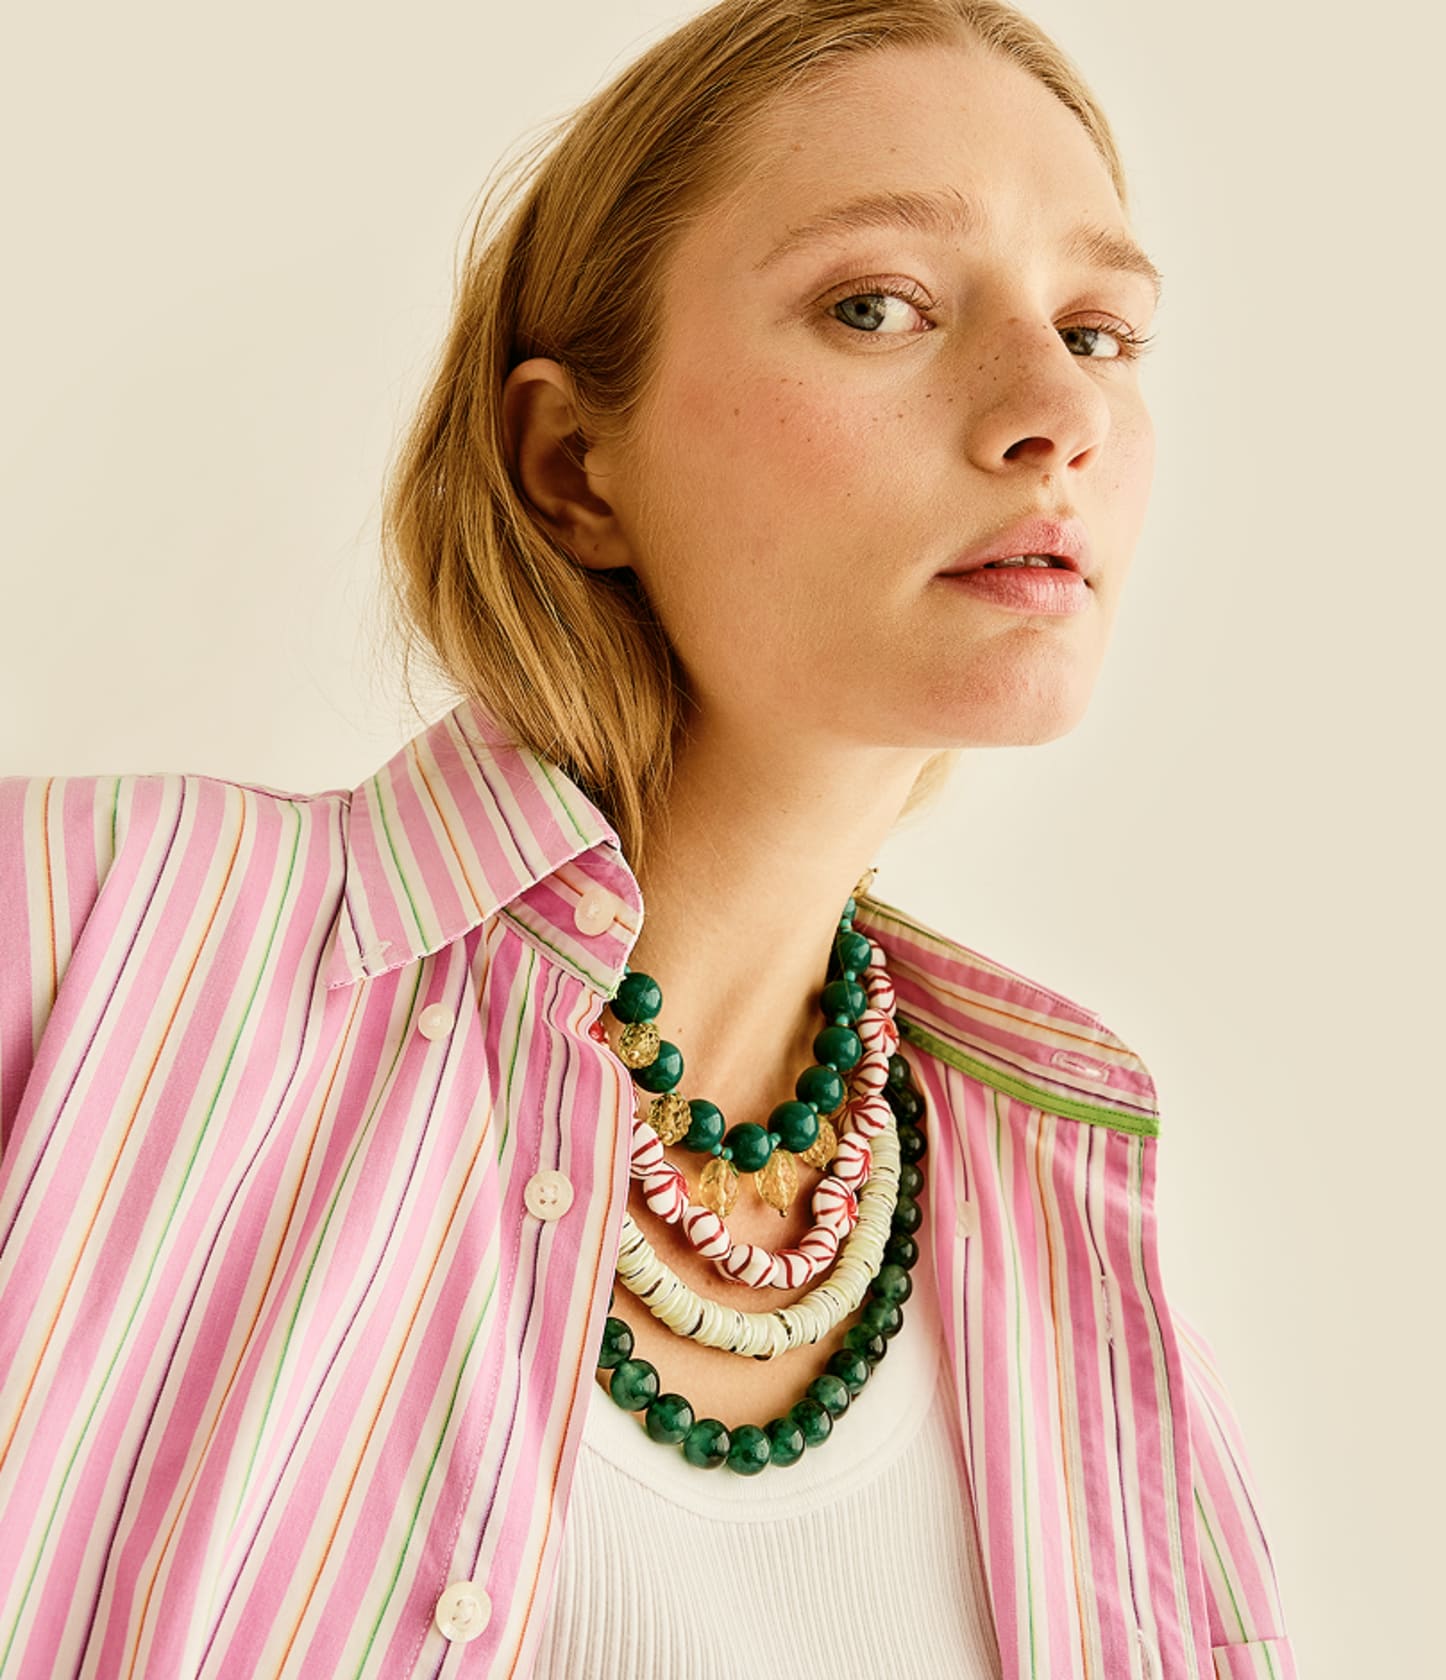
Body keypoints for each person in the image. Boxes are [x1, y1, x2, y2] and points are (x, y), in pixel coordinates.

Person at [0, 1, 1297, 1675]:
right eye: (878, 305)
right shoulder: (94, 938)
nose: (1058, 411)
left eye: (1102, 330)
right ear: (573, 465)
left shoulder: (1065, 1206)